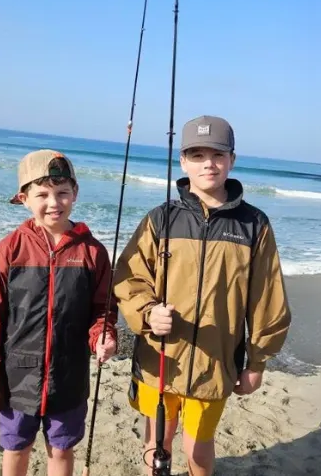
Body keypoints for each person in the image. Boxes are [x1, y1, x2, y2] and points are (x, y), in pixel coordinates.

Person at [112, 115, 292, 476]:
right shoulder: (160, 219)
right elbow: (129, 277)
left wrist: (257, 362)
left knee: (198, 448)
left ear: (232, 160)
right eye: (197, 154)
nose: (208, 163)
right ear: (183, 161)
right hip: (160, 359)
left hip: (216, 364)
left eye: (217, 154)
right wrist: (147, 313)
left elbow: (266, 298)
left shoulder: (254, 225)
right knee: (157, 441)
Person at [0, 149, 119, 476]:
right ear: (24, 198)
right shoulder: (10, 249)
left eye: (62, 193)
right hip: (17, 378)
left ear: (75, 194)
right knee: (15, 448)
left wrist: (104, 336)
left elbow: (103, 309)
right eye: (42, 194)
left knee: (61, 449)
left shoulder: (92, 252)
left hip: (68, 378)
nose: (54, 202)